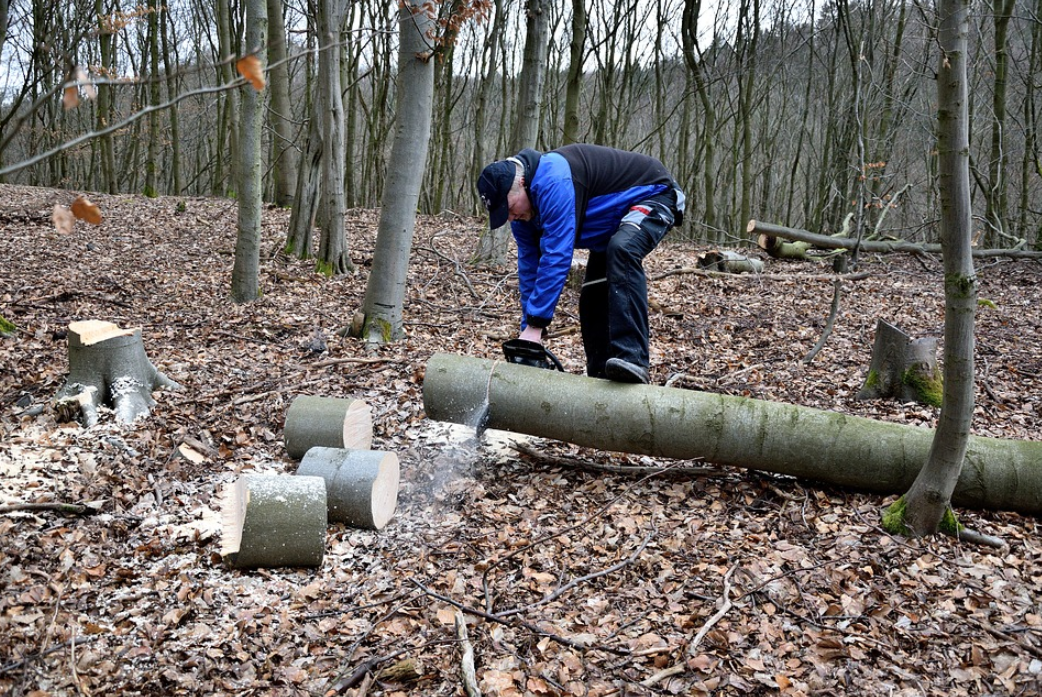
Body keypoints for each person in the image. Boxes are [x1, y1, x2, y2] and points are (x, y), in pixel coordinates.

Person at [477, 144, 686, 384]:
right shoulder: (521, 217)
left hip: (655, 194)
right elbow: (529, 268)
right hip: (609, 227)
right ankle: (599, 379)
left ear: (522, 183)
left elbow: (556, 256)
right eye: (505, 214)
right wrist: (529, 333)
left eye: (510, 209)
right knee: (591, 298)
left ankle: (633, 359)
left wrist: (537, 323)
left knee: (623, 250)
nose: (511, 218)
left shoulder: (553, 179)